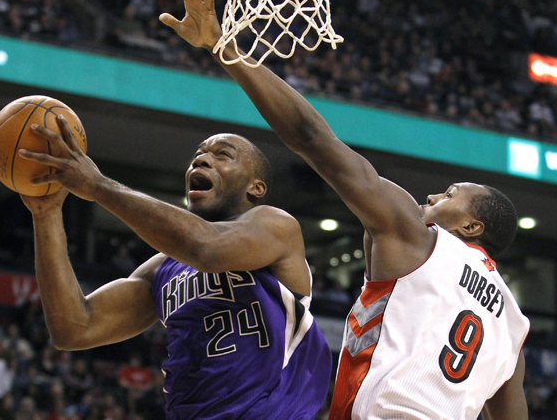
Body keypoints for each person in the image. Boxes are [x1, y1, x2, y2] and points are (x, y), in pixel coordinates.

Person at [159, 0, 530, 420]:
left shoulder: (418, 236)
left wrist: (223, 46)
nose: (433, 197)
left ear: (472, 224)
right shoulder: (514, 325)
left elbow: (312, 139)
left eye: (450, 194)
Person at [18, 123, 332, 418]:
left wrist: (97, 185)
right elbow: (75, 327)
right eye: (198, 155)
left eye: (222, 155)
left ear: (256, 187)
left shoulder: (276, 226)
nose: (202, 160)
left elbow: (207, 249)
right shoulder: (162, 268)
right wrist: (46, 215)